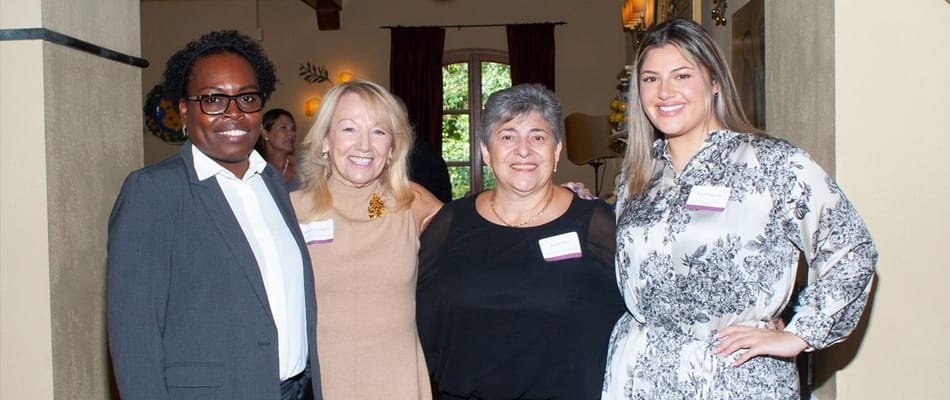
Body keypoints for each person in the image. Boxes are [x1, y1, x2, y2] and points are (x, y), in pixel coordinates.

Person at [602, 18, 877, 399]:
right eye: (651, 79)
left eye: (682, 75)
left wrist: (801, 333)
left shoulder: (772, 162)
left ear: (714, 80)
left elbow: (851, 247)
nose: (664, 91)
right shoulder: (637, 174)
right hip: (641, 375)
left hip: (735, 376)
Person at [107, 30, 321, 400]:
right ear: (184, 111)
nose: (234, 112)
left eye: (246, 98)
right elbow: (135, 338)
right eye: (214, 99)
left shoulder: (272, 183)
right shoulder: (154, 192)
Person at [416, 83, 627, 399]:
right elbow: (416, 310)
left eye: (538, 137)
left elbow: (642, 302)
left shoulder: (595, 224)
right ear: (486, 151)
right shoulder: (450, 223)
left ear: (556, 151)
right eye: (507, 136)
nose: (524, 150)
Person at [291, 79, 442, 399]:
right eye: (349, 129)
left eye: (379, 132)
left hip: (399, 387)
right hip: (323, 387)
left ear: (392, 148)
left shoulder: (410, 203)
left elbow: (479, 241)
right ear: (325, 140)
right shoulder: (293, 211)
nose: (364, 145)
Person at [257, 108, 298, 187]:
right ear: (265, 134)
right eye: (283, 128)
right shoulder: (256, 168)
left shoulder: (304, 165)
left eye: (293, 129)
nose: (291, 133)